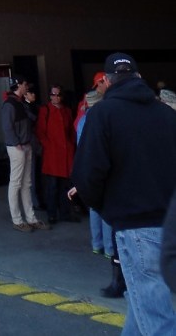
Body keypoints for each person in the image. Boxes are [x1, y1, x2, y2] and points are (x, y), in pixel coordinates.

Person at [72, 52, 176, 334]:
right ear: (139, 78)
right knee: (142, 301)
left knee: (156, 315)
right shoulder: (167, 114)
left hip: (135, 226)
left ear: (106, 81)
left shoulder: (102, 115)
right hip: (169, 222)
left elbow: (87, 175)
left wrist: (106, 208)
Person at [1, 76, 50, 232]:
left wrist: (30, 103)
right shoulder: (10, 104)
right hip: (18, 147)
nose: (27, 87)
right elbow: (7, 127)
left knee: (25, 183)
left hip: (24, 145)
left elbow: (33, 118)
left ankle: (30, 218)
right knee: (16, 183)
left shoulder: (19, 102)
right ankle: (18, 219)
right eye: (25, 85)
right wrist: (16, 143)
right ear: (19, 86)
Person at [76, 90, 113, 258]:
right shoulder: (100, 120)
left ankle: (97, 244)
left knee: (94, 207)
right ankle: (110, 247)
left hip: (86, 166)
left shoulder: (82, 120)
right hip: (100, 166)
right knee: (105, 206)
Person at [36, 84, 77, 224]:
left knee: (65, 186)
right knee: (52, 187)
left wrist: (71, 145)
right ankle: (52, 214)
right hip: (53, 154)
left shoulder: (67, 111)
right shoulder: (45, 110)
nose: (56, 97)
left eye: (58, 94)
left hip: (65, 153)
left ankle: (65, 213)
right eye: (53, 94)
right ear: (49, 96)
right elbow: (40, 131)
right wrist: (48, 146)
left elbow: (71, 130)